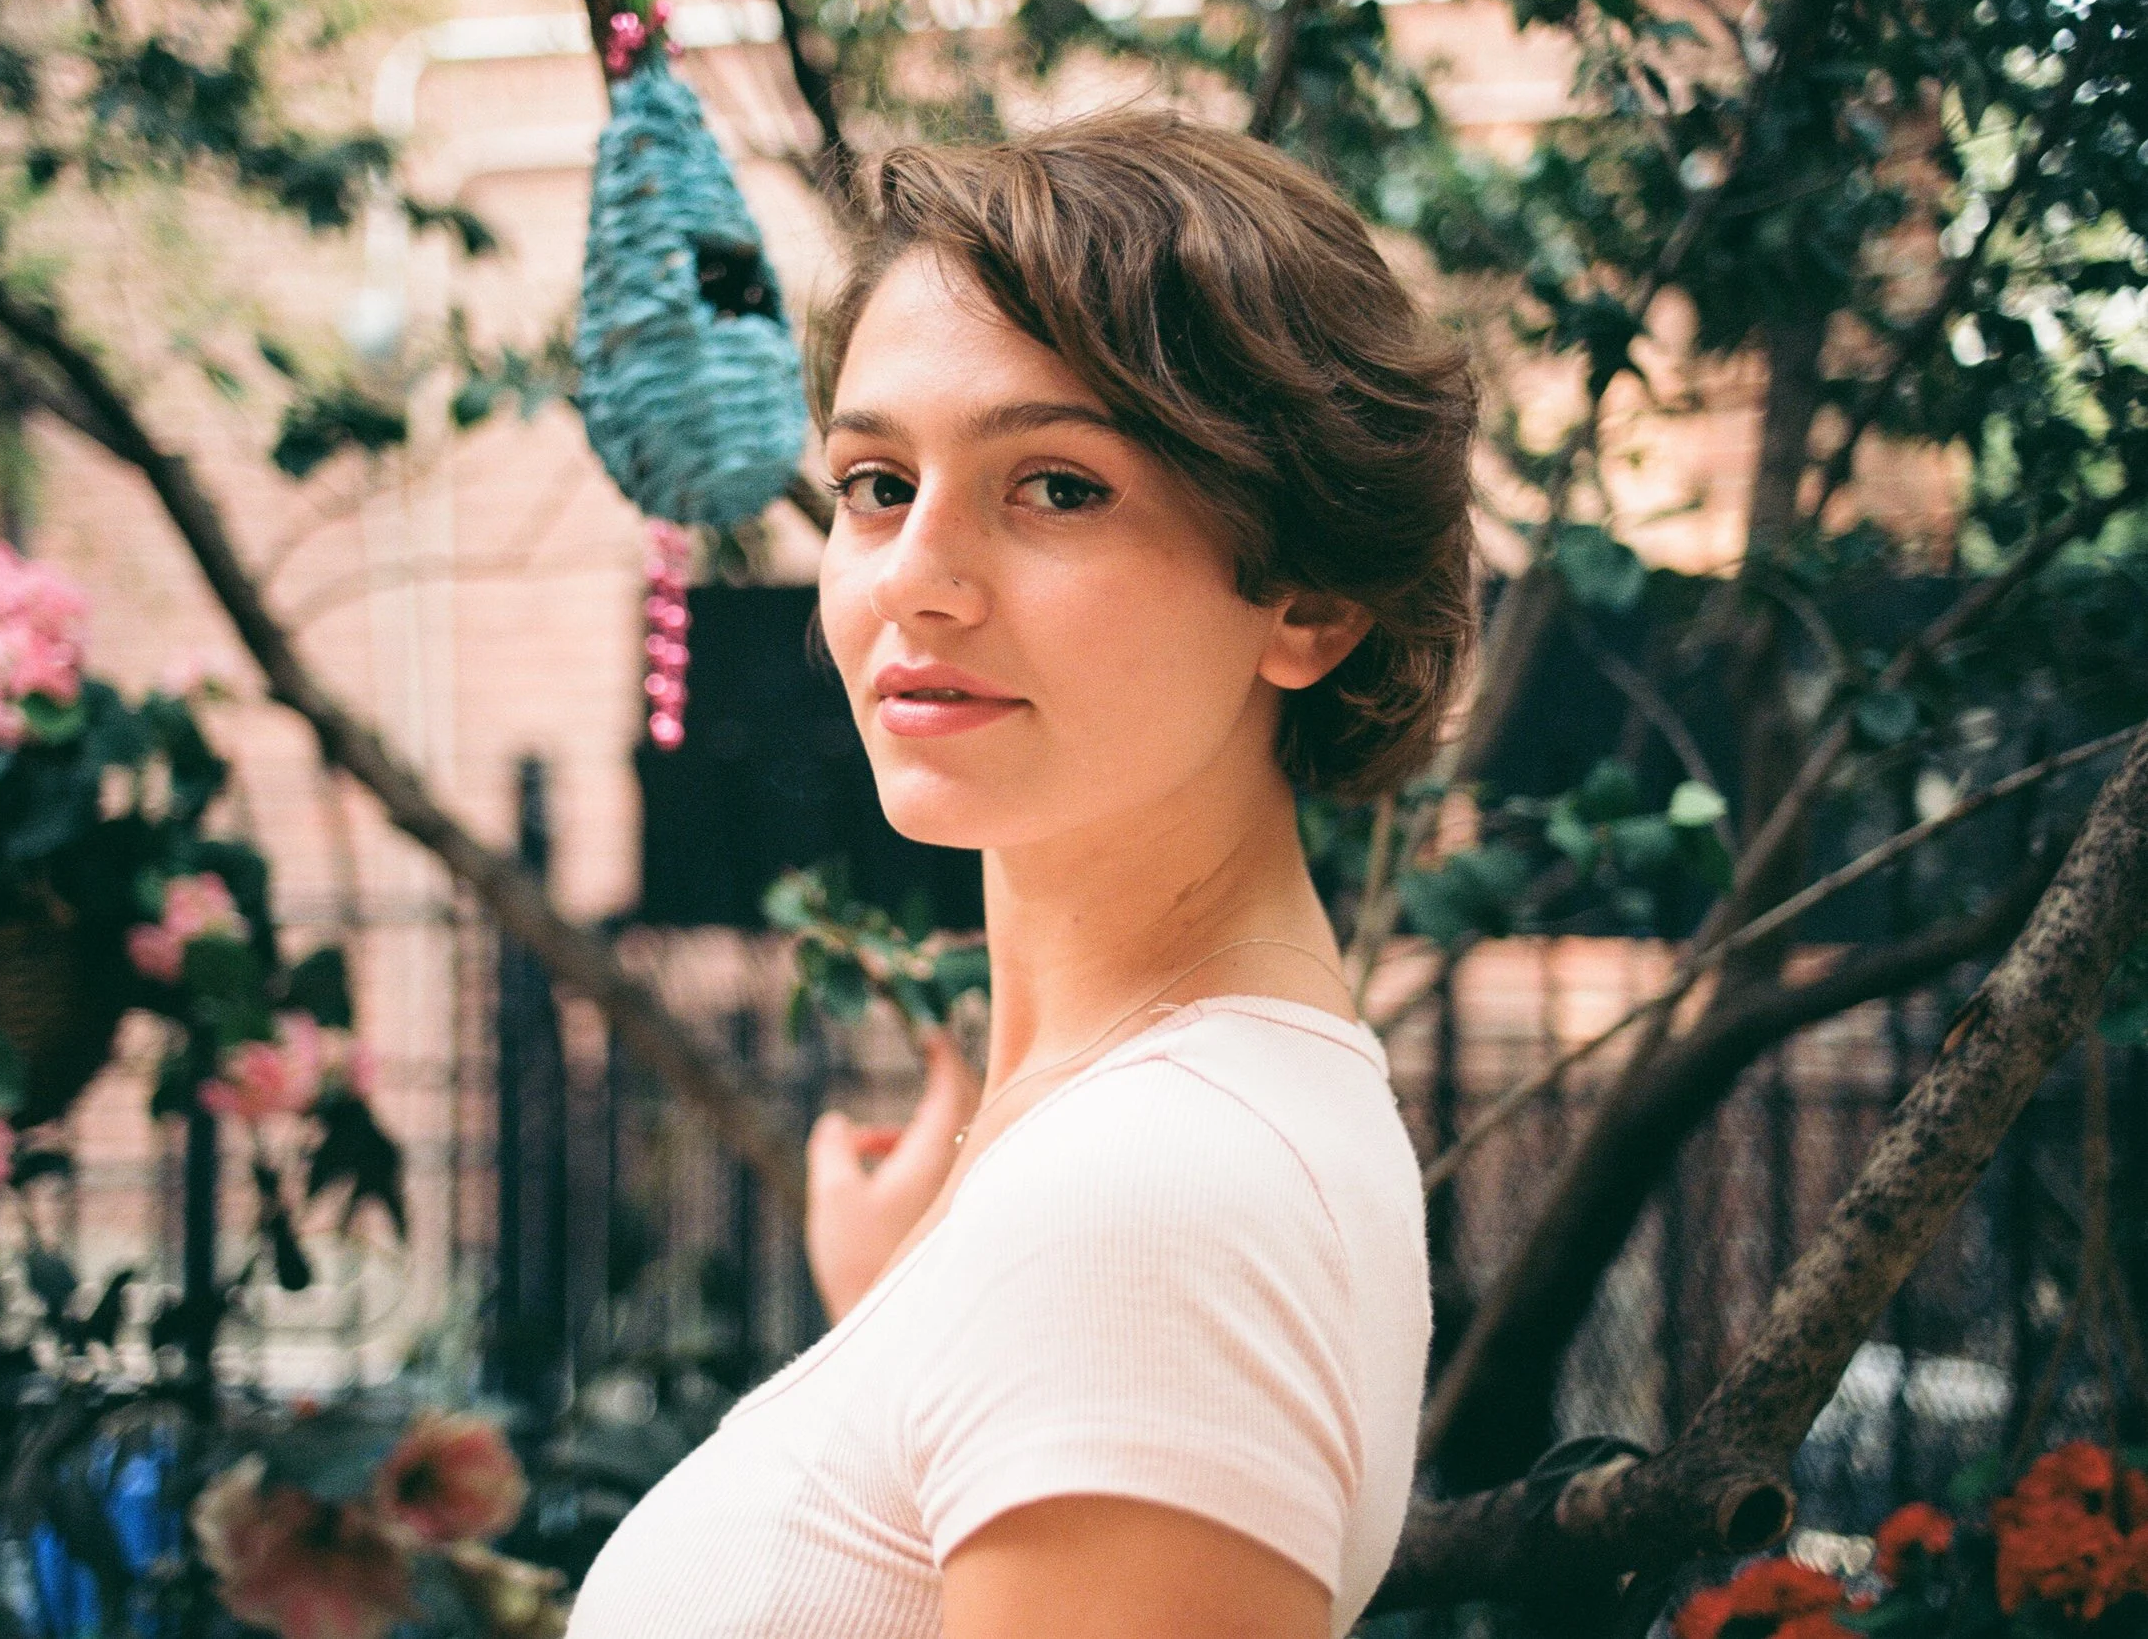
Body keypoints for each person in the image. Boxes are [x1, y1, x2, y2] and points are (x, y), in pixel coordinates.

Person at [566, 106, 1478, 1638]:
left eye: (1057, 484)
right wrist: (907, 1306)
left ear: (1308, 601)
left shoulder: (1150, 1204)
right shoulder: (1116, 1177)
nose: (914, 571)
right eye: (874, 483)